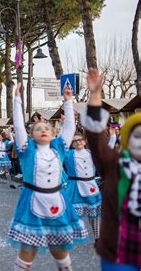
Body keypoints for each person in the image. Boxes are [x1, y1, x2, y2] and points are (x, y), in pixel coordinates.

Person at [8, 83, 88, 271]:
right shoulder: (25, 150)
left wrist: (68, 101)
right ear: (31, 135)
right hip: (32, 201)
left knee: (60, 250)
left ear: (53, 133)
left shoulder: (59, 147)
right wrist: (17, 100)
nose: (43, 129)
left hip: (57, 200)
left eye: (47, 128)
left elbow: (69, 126)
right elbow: (18, 125)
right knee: (28, 250)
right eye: (38, 128)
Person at [81, 68, 141, 271]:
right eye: (137, 135)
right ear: (127, 140)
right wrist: (95, 95)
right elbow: (96, 136)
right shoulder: (113, 164)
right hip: (119, 254)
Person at [64, 133, 102, 243]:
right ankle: (72, 235)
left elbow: (106, 152)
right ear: (72, 144)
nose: (78, 142)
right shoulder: (69, 154)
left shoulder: (92, 153)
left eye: (80, 140)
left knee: (93, 214)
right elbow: (58, 148)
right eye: (75, 141)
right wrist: (65, 128)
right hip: (75, 188)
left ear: (84, 141)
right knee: (74, 214)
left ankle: (97, 237)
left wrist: (113, 136)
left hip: (91, 187)